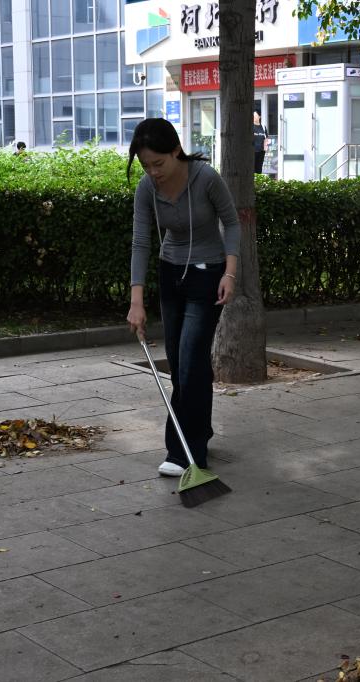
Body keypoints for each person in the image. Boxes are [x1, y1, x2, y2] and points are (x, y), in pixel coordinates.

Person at [126, 118, 240, 477]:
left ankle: (184, 453)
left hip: (208, 274)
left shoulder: (206, 178)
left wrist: (230, 273)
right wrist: (136, 301)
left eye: (158, 163)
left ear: (176, 150)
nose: (153, 172)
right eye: (146, 165)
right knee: (181, 365)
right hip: (171, 273)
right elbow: (140, 242)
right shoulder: (147, 188)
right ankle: (200, 430)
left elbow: (232, 222)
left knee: (190, 362)